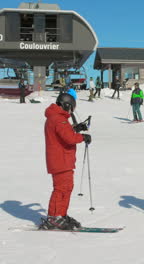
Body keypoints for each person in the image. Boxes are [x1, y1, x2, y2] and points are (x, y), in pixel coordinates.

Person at [39, 93, 92, 230]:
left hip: (63, 160)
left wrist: (75, 129)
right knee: (61, 188)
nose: (71, 112)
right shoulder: (58, 119)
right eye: (71, 109)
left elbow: (64, 132)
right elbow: (68, 138)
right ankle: (53, 217)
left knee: (67, 187)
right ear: (66, 105)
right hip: (60, 160)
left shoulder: (57, 118)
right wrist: (82, 137)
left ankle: (60, 214)